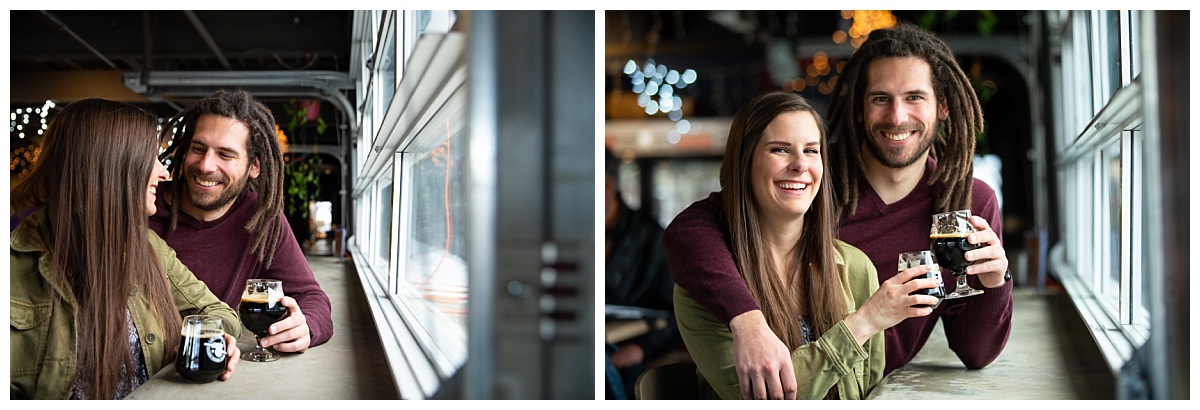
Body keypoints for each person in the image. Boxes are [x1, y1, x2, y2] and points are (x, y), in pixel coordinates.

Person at [664, 22, 1013, 399]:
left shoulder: (966, 202)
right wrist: (747, 320)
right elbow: (691, 229)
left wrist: (995, 282)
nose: (897, 117)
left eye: (914, 97)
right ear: (860, 107)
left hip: (870, 389)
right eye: (881, 98)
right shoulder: (810, 183)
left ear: (943, 106)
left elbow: (974, 353)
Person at [672, 91, 941, 400]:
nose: (800, 164)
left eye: (811, 151)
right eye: (780, 150)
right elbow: (769, 400)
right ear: (745, 163)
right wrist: (864, 322)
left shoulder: (855, 267)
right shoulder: (706, 286)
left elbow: (871, 392)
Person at [10, 98, 243, 399]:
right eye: (153, 159)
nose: (165, 173)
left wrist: (214, 339)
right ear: (112, 167)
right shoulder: (14, 267)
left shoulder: (148, 247)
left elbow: (217, 312)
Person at [151, 90, 333, 353]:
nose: (205, 165)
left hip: (206, 367)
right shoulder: (144, 208)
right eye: (198, 149)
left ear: (254, 167)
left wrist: (305, 326)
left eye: (225, 155)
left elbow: (312, 298)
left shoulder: (259, 219)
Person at [603, 148, 684, 399]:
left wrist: (641, 348)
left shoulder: (653, 239)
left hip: (630, 350)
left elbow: (681, 314)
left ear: (606, 184)